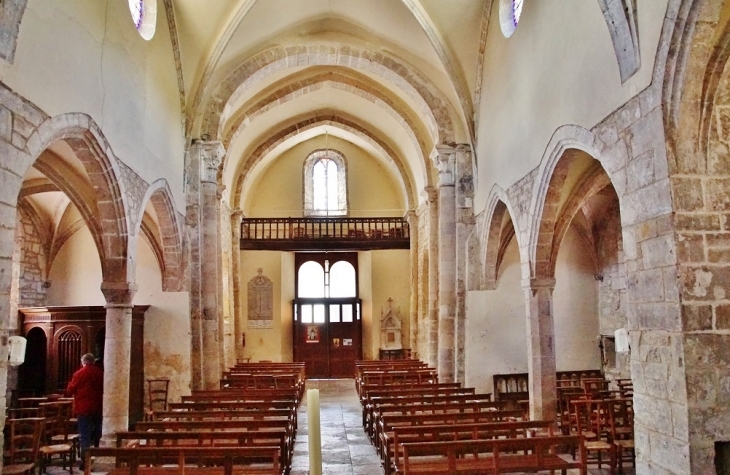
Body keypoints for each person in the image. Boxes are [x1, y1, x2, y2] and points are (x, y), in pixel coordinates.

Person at [65, 353, 103, 469]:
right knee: (98, 433)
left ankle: (85, 463)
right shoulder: (100, 373)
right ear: (92, 361)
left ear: (83, 362)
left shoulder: (79, 374)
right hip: (97, 407)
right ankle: (98, 459)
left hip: (83, 408)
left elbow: (70, 390)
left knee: (84, 436)